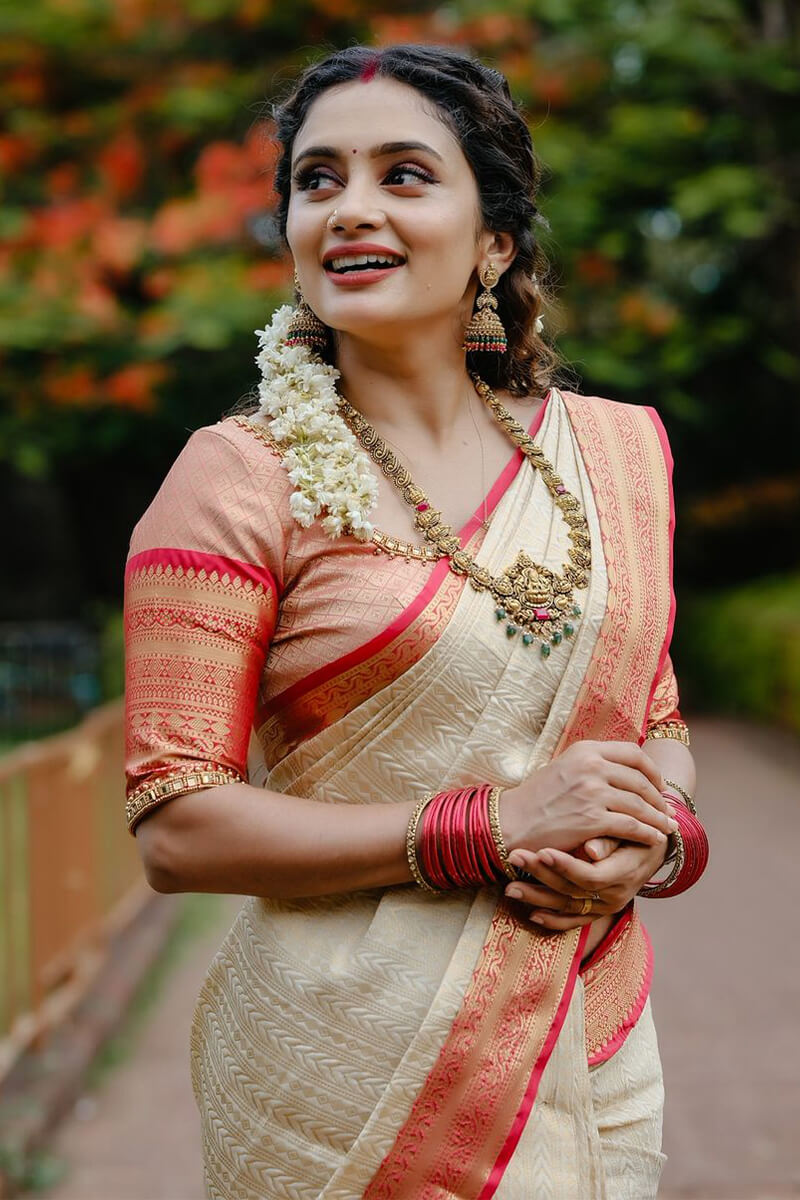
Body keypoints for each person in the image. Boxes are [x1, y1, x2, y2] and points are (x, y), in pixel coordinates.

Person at [124, 44, 708, 1200]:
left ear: (493, 242)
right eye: (317, 179)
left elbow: (653, 724)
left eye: (402, 174)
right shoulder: (235, 478)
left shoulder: (616, 456)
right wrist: (486, 828)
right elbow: (177, 827)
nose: (348, 208)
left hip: (586, 1030)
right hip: (344, 1078)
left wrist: (655, 840)